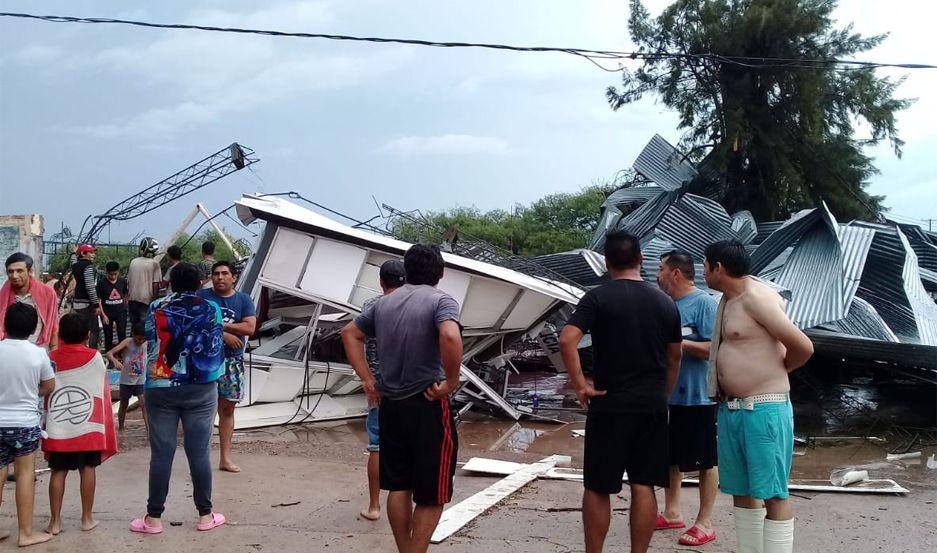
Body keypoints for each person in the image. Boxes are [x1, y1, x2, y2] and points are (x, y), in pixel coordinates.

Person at [559, 230, 682, 553]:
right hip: (651, 405)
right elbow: (675, 356)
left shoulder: (597, 298)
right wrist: (663, 393)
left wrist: (580, 384)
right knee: (644, 484)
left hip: (609, 403)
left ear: (606, 262)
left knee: (599, 487)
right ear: (641, 260)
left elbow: (567, 339)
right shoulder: (665, 302)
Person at [341, 245, 462, 553]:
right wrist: (451, 381)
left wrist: (369, 380)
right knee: (432, 494)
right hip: (428, 403)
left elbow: (349, 333)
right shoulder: (441, 300)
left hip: (390, 405)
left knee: (399, 486)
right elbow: (449, 335)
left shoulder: (384, 303)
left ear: (407, 271)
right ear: (441, 273)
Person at [703, 240, 814, 553]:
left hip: (763, 409)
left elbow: (803, 347)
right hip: (733, 409)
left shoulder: (756, 298)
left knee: (773, 493)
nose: (703, 272)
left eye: (705, 265)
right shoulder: (730, 299)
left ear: (718, 268)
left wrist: (777, 370)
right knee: (741, 490)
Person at [131, 262, 226, 535]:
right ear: (200, 284)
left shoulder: (156, 306)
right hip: (201, 387)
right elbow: (215, 343)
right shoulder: (212, 307)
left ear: (170, 283)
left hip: (161, 386)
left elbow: (149, 335)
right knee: (199, 453)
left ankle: (153, 518)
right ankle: (206, 516)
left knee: (162, 453)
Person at [655, 249, 719, 546]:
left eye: (661, 269)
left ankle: (704, 522)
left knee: (705, 460)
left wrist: (680, 344)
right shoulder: (666, 305)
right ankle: (672, 512)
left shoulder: (704, 303)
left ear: (676, 273)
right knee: (669, 458)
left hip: (698, 397)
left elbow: (713, 349)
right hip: (669, 396)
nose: (657, 275)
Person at [44, 313, 118, 535]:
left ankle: (55, 522)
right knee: (88, 469)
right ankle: (87, 518)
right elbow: (100, 392)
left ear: (62, 335)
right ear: (87, 335)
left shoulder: (52, 358)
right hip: (89, 426)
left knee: (58, 471)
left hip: (59, 427)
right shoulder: (95, 357)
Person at [0, 303, 56, 546]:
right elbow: (49, 386)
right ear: (34, 328)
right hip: (24, 424)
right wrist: (32, 393)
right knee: (25, 475)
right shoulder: (38, 353)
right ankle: (25, 533)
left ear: (5, 324)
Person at [196, 261, 256, 473]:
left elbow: (250, 327)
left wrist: (218, 325)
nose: (219, 277)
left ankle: (225, 458)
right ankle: (201, 458)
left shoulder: (243, 299)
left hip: (232, 363)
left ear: (234, 277)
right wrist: (225, 334)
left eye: (224, 273)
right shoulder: (202, 297)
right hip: (206, 362)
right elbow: (195, 323)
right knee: (204, 410)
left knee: (227, 409)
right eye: (216, 274)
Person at [358, 260, 406, 522]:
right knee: (407, 446)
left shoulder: (371, 307)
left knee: (377, 446)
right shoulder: (413, 305)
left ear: (381, 281)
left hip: (378, 385)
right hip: (408, 386)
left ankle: (375, 506)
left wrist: (368, 379)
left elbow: (352, 335)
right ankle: (405, 501)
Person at [0, 253, 59, 349]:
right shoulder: (2, 296)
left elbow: (54, 326)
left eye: (19, 271)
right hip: (10, 350)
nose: (14, 276)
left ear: (30, 271)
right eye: (10, 271)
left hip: (39, 349)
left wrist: (53, 354)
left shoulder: (47, 293)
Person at [106, 323, 149, 433]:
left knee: (144, 405)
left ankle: (149, 430)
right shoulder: (127, 342)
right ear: (133, 335)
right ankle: (121, 428)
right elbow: (109, 353)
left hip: (140, 378)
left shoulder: (146, 343)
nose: (141, 342)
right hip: (127, 379)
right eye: (139, 339)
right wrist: (115, 361)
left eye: (143, 339)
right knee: (124, 404)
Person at [70, 244, 103, 351]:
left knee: (80, 330)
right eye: (91, 252)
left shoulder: (75, 266)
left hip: (77, 303)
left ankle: (80, 351)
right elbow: (90, 287)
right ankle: (91, 353)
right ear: (84, 254)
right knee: (93, 331)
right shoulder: (89, 267)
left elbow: (73, 262)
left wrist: (73, 253)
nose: (94, 255)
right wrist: (96, 305)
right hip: (87, 304)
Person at [127, 237, 162, 327]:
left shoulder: (133, 262)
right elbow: (156, 284)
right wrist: (154, 299)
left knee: (134, 325)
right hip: (146, 300)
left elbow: (129, 281)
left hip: (132, 299)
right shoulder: (155, 264)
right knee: (144, 327)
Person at [97, 261, 129, 352]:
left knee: (122, 334)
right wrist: (103, 315)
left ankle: (122, 354)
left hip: (120, 312)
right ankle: (109, 355)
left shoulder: (122, 281)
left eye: (115, 274)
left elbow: (126, 294)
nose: (113, 276)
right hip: (107, 313)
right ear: (106, 272)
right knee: (108, 335)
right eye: (111, 274)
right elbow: (98, 300)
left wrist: (125, 305)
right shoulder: (101, 283)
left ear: (118, 272)